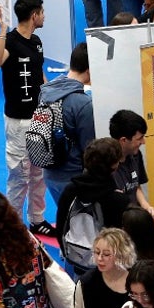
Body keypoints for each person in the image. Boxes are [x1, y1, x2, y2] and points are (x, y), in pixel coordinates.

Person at [0, 0, 49, 237]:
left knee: (39, 172)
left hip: (39, 116)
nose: (44, 16)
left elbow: (38, 72)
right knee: (19, 175)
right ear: (34, 16)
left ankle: (37, 219)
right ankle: (13, 225)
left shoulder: (37, 41)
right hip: (18, 121)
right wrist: (2, 29)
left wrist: (51, 94)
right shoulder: (10, 41)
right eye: (42, 12)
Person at [54, 139, 132, 266]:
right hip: (110, 269)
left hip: (76, 258)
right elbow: (125, 243)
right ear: (114, 166)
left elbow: (61, 226)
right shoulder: (119, 200)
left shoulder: (70, 190)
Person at [39, 43, 95, 206]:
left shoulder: (47, 91)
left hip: (49, 173)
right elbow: (89, 150)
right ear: (89, 71)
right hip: (74, 178)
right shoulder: (83, 104)